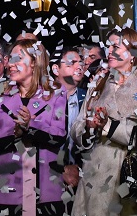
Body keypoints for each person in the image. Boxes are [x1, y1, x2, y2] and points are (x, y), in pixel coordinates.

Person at [71, 27, 137, 216]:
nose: (109, 51)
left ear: (133, 52)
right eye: (109, 46)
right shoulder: (98, 85)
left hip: (136, 175)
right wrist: (89, 128)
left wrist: (108, 126)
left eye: (116, 46)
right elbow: (77, 126)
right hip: (98, 174)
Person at [0, 38, 68, 215]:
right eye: (10, 59)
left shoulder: (56, 92)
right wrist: (15, 131)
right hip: (6, 190)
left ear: (35, 62)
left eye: (18, 59)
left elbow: (59, 136)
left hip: (46, 191)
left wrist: (31, 125)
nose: (10, 64)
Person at [54, 48, 88, 198]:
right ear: (56, 69)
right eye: (72, 63)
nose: (79, 67)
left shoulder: (88, 98)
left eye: (80, 63)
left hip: (81, 176)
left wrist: (78, 169)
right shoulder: (42, 97)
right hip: (48, 173)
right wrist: (61, 170)